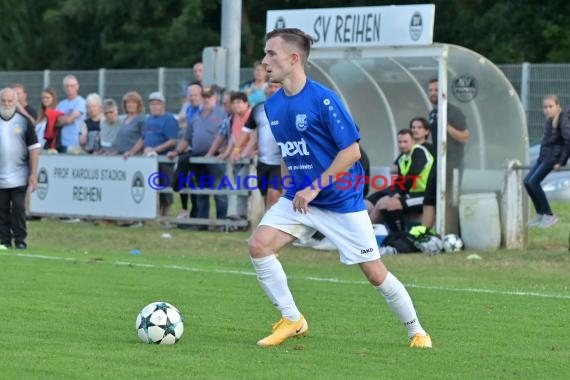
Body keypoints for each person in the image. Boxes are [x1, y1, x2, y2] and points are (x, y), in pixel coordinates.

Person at [248, 28, 431, 348]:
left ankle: (416, 330)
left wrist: (315, 188)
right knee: (259, 245)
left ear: (294, 59)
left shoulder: (324, 100)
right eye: (265, 54)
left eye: (271, 54)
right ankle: (292, 320)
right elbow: (287, 153)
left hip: (340, 202)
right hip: (299, 199)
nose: (265, 61)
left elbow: (351, 153)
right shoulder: (272, 106)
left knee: (375, 274)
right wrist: (286, 189)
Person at [168, 87, 228, 226]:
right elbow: (186, 138)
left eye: (209, 97)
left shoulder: (223, 112)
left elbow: (228, 133)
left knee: (219, 191)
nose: (206, 99)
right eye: (204, 97)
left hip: (216, 157)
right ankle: (201, 223)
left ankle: (221, 223)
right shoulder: (195, 115)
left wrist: (226, 148)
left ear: (215, 98)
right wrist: (177, 151)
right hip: (198, 158)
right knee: (201, 191)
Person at [124, 92, 178, 220]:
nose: (154, 107)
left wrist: (155, 149)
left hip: (164, 160)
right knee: (151, 188)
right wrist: (131, 152)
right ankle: (155, 215)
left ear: (163, 105)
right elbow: (143, 139)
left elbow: (172, 140)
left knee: (165, 187)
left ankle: (166, 217)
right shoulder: (148, 120)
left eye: (157, 104)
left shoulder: (169, 119)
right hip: (149, 161)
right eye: (152, 104)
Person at [423, 79, 469, 230]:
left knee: (449, 199)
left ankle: (449, 232)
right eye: (430, 90)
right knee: (429, 198)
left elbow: (465, 137)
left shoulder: (454, 112)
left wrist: (446, 126)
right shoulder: (433, 113)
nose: (433, 93)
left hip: (452, 163)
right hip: (437, 164)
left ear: (443, 92)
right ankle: (423, 233)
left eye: (436, 90)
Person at [231, 82, 282, 210]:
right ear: (265, 91)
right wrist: (236, 149)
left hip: (281, 162)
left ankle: (272, 228)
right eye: (270, 87)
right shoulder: (258, 108)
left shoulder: (289, 107)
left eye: (276, 87)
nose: (272, 89)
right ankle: (268, 224)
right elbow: (246, 130)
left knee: (273, 195)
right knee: (266, 198)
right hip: (263, 161)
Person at [0, 87, 40, 249]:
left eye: (10, 101)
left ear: (16, 102)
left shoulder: (24, 122)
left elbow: (34, 149)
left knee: (18, 207)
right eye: (3, 101)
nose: (6, 104)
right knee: (1, 210)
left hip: (19, 175)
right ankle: (4, 240)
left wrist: (34, 173)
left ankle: (20, 240)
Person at [373, 129, 433, 232]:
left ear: (413, 141)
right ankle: (393, 235)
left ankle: (400, 236)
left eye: (405, 142)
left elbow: (412, 175)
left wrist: (399, 193)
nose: (402, 145)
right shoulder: (403, 158)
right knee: (383, 203)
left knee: (392, 204)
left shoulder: (419, 152)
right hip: (412, 194)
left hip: (425, 195)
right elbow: (399, 180)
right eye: (400, 142)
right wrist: (394, 192)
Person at [524, 94, 570, 228]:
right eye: (545, 107)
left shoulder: (563, 120)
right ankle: (540, 213)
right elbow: (547, 142)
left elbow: (568, 142)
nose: (548, 109)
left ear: (557, 106)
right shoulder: (550, 121)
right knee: (527, 181)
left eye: (551, 106)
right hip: (544, 157)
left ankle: (549, 215)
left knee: (534, 182)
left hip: (553, 158)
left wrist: (561, 161)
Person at [55, 75, 86, 153]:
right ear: (64, 88)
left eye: (72, 86)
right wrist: (66, 118)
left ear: (77, 87)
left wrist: (61, 118)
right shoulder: (61, 104)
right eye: (67, 86)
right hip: (61, 144)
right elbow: (54, 122)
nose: (69, 88)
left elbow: (69, 120)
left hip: (76, 144)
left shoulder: (81, 102)